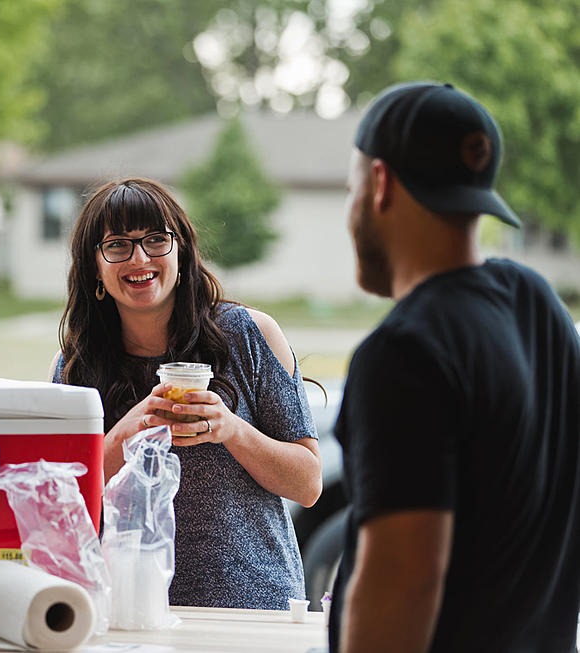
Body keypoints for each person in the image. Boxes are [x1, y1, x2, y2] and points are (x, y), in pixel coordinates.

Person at [330, 81, 580, 652]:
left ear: (380, 183)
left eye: (350, 188)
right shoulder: (537, 305)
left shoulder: (403, 354)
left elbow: (404, 585)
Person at [51, 178, 322, 609]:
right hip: (128, 608)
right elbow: (61, 499)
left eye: (156, 240)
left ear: (182, 252)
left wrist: (231, 429)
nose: (139, 258)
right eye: (117, 245)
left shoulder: (249, 335)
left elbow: (308, 483)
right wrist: (132, 428)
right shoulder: (75, 367)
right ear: (94, 268)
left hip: (252, 609)